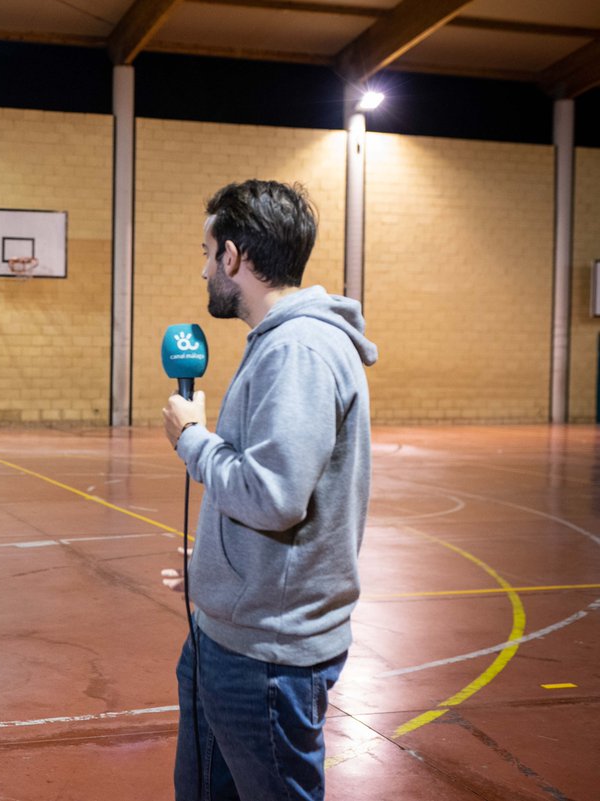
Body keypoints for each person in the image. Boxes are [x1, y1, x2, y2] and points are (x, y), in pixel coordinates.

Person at [160, 180, 377, 801]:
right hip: (231, 631)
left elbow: (273, 495)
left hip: (266, 656)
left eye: (207, 253)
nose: (204, 270)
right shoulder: (280, 344)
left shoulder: (299, 350)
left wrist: (193, 439)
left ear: (233, 257)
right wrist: (217, 566)